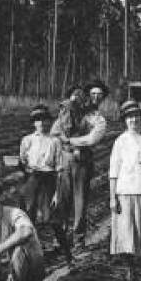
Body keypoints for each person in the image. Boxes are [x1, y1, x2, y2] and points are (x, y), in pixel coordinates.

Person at [53, 80, 110, 246]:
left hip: (83, 160)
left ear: (103, 98)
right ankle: (60, 237)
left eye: (99, 95)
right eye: (93, 94)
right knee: (63, 198)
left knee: (81, 200)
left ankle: (78, 237)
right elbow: (56, 130)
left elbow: (92, 139)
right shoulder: (73, 110)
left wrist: (69, 140)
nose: (95, 98)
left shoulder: (99, 119)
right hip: (66, 158)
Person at [20, 104, 72, 260]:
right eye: (37, 120)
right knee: (28, 216)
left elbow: (60, 169)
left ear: (49, 122)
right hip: (32, 179)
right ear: (33, 123)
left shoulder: (55, 141)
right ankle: (28, 253)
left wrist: (57, 192)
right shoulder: (27, 140)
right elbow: (22, 161)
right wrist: (25, 169)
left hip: (49, 180)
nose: (41, 123)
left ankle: (67, 254)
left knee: (52, 217)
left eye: (44, 120)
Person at [109, 100, 141, 262]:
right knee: (126, 229)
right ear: (125, 120)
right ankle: (128, 262)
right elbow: (114, 171)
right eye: (129, 117)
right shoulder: (120, 141)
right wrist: (112, 197)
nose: (133, 120)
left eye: (136, 116)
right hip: (126, 190)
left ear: (140, 118)